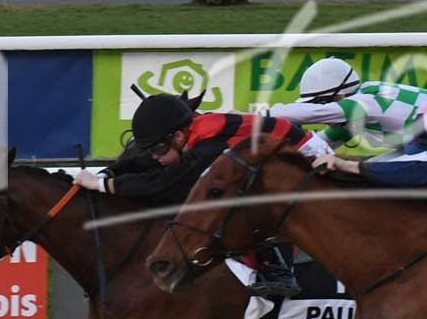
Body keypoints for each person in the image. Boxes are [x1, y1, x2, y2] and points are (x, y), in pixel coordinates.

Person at [73, 93, 333, 298]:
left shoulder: (210, 146)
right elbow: (150, 163)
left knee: (223, 201)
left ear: (178, 136)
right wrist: (111, 171)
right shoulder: (194, 133)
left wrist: (103, 185)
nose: (155, 156)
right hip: (279, 160)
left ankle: (277, 271)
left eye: (159, 149)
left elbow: (167, 185)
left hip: (310, 165)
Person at [269, 57, 427, 154]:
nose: (325, 120)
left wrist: (261, 117)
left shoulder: (366, 102)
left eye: (320, 102)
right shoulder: (353, 119)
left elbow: (312, 113)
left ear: (340, 96)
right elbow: (315, 147)